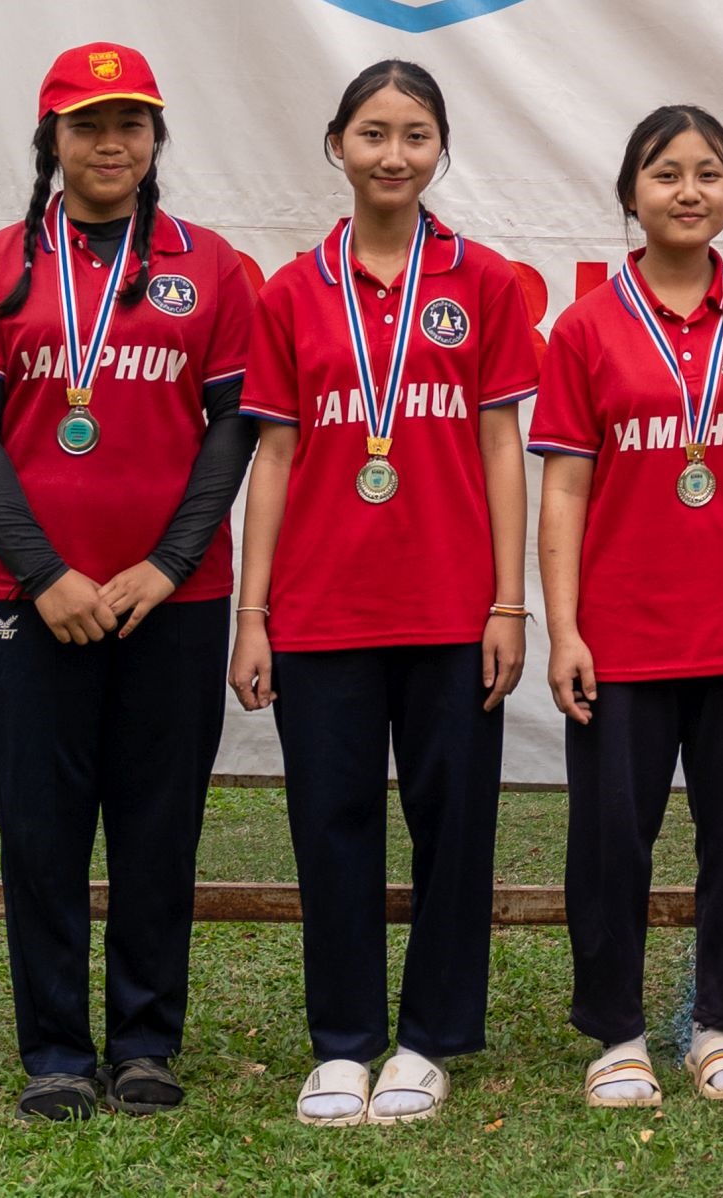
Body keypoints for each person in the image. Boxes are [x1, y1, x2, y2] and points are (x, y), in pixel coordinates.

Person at [0, 43, 259, 1120]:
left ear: (156, 137)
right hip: (24, 601)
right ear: (51, 138)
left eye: (131, 123)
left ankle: (147, 1045)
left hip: (175, 601)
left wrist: (167, 562)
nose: (111, 143)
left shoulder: (213, 266)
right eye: (88, 123)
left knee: (159, 830)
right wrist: (46, 574)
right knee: (42, 832)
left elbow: (233, 431)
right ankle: (58, 1052)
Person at [229, 60, 540, 1126]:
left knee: (454, 829)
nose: (393, 154)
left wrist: (509, 603)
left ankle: (429, 1040)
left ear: (440, 149)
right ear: (338, 145)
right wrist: (253, 614)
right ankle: (344, 1042)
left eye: (415, 134)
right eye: (373, 133)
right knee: (333, 824)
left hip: (453, 610)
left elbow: (502, 445)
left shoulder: (485, 281)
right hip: (322, 611)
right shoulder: (292, 290)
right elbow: (274, 457)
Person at [532, 106, 723, 1110]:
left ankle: (720, 1022)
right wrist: (565, 627)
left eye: (709, 172)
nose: (689, 190)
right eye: (665, 172)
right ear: (630, 192)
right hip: (621, 634)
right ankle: (616, 1033)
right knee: (612, 836)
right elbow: (565, 485)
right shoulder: (585, 325)